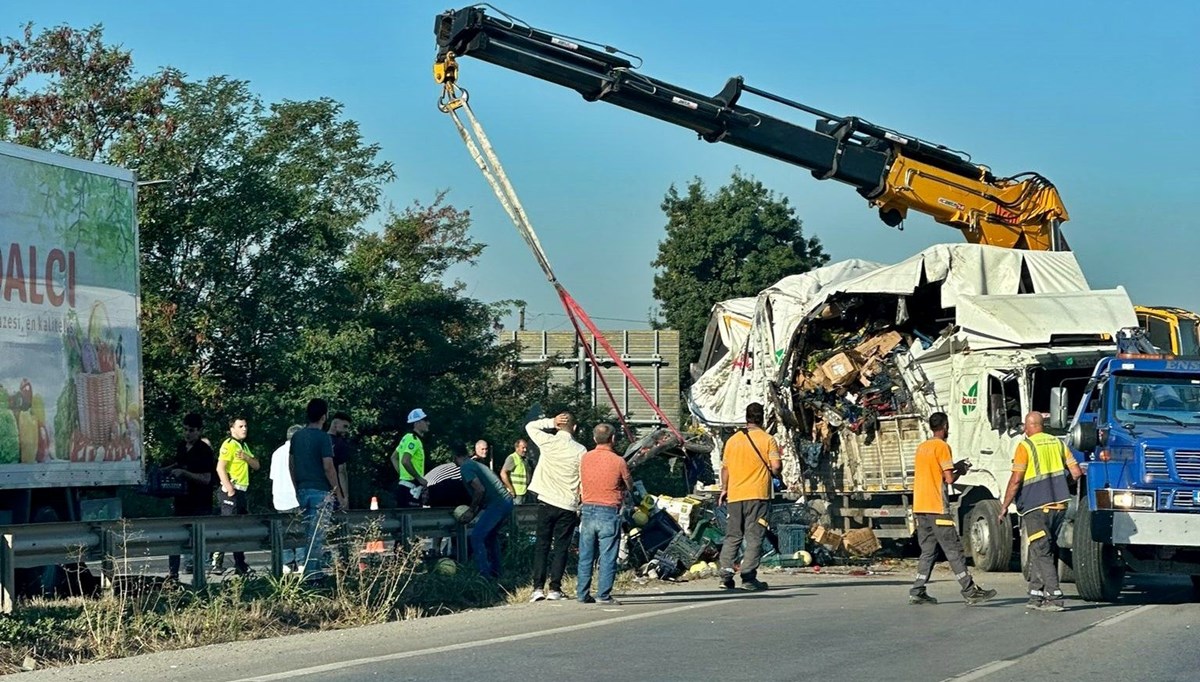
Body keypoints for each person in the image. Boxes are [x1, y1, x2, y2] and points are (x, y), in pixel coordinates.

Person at [998, 411, 1083, 612]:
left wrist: (1004, 505)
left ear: (1029, 426)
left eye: (1024, 427)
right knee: (1043, 548)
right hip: (1060, 506)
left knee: (1041, 549)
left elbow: (1016, 479)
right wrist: (1062, 485)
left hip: (1036, 507)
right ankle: (1036, 594)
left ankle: (1054, 596)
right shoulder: (1058, 442)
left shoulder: (1025, 446)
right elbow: (1077, 472)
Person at [909, 411, 996, 606]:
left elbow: (934, 471)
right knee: (953, 549)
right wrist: (961, 470)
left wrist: (954, 466)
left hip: (921, 506)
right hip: (937, 506)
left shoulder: (922, 447)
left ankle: (917, 589)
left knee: (928, 551)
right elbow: (948, 479)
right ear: (945, 426)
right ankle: (969, 590)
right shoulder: (942, 447)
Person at [717, 402, 781, 592]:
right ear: (762, 418)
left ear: (746, 418)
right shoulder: (768, 439)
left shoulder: (732, 441)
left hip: (735, 495)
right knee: (754, 536)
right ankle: (748, 577)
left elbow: (725, 468)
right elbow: (776, 466)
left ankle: (726, 576)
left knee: (732, 535)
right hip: (757, 495)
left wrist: (724, 489)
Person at [525, 412, 585, 602]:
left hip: (546, 500)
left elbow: (530, 427)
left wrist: (550, 421)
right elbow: (582, 478)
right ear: (574, 428)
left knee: (542, 545)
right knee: (561, 547)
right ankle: (555, 588)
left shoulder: (548, 442)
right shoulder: (580, 450)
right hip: (567, 504)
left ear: (558, 426)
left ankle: (537, 588)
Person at [577, 423, 633, 605]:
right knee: (608, 555)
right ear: (613, 439)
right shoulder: (618, 461)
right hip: (609, 511)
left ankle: (582, 593)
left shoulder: (585, 458)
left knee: (586, 554)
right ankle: (603, 594)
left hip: (587, 509)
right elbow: (628, 483)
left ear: (594, 439)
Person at [290, 398, 343, 582]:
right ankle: (311, 576)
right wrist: (337, 492)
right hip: (320, 490)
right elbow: (328, 467)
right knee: (317, 536)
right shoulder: (323, 438)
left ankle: (316, 572)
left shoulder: (297, 436)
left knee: (308, 534)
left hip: (302, 489)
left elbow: (292, 464)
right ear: (324, 416)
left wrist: (296, 486)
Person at [165, 412, 216, 581]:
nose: (188, 434)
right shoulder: (181, 446)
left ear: (199, 431)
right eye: (185, 430)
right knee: (175, 538)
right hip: (181, 501)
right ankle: (172, 575)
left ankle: (199, 576)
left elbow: (206, 478)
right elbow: (179, 464)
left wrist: (185, 473)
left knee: (198, 542)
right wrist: (165, 470)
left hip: (200, 503)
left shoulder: (204, 450)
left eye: (192, 430)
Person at [454, 447, 515, 579]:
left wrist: (470, 511)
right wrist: (473, 514)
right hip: (506, 502)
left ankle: (484, 575)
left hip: (497, 504)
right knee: (490, 537)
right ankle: (497, 572)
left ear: (456, 457)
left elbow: (479, 490)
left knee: (476, 537)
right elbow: (483, 496)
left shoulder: (465, 467)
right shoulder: (476, 464)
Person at [212, 417, 260, 576]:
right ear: (232, 429)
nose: (244, 429)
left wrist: (246, 457)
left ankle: (240, 564)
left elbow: (256, 465)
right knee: (227, 526)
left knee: (239, 529)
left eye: (245, 426)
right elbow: (220, 468)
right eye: (240, 426)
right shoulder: (229, 445)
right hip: (231, 491)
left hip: (242, 491)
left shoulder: (243, 445)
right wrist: (229, 489)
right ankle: (217, 561)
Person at [270, 424, 306, 573]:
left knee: (285, 531)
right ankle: (302, 561)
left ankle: (287, 562)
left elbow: (273, 477)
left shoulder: (276, 453)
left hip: (280, 498)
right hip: (296, 497)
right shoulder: (300, 451)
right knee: (300, 530)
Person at [392, 408, 430, 508]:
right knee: (412, 519)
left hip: (405, 486)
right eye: (425, 420)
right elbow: (405, 460)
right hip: (411, 488)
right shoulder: (414, 440)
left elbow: (394, 457)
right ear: (417, 423)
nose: (428, 423)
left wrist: (402, 474)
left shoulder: (406, 438)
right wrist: (419, 478)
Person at [329, 412, 354, 509]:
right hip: (335, 491)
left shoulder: (320, 439)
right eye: (344, 426)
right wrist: (345, 496)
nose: (346, 430)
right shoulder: (340, 443)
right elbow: (342, 471)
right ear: (335, 423)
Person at [501, 438, 531, 504]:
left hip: (523, 492)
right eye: (523, 448)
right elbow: (503, 474)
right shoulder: (512, 458)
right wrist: (511, 489)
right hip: (516, 494)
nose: (525, 450)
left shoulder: (524, 459)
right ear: (517, 448)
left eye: (526, 448)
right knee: (516, 512)